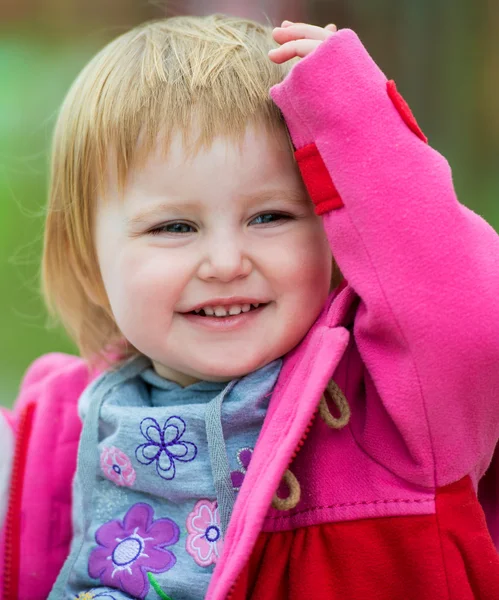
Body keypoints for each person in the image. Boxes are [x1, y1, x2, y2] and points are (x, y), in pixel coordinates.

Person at [1, 13, 498, 600]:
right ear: (90, 259)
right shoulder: (62, 424)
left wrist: (362, 129)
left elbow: (466, 321)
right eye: (175, 226)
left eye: (270, 217)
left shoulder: (391, 414)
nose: (226, 261)